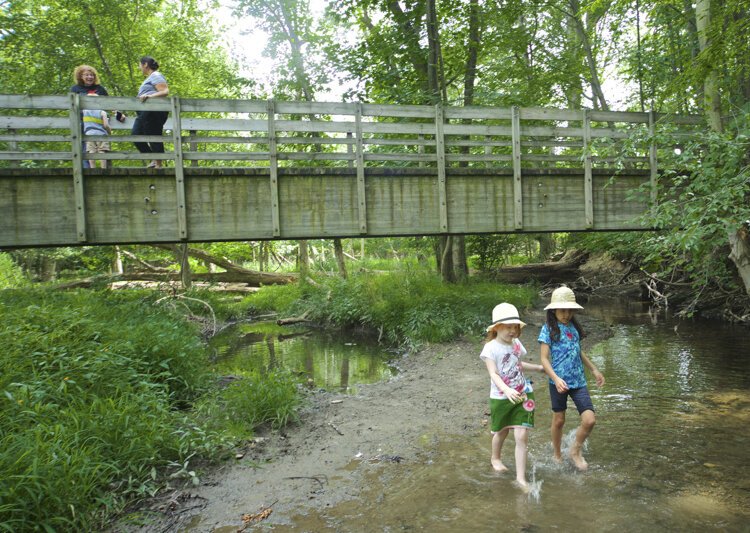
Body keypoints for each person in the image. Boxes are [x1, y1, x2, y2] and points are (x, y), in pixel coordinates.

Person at [538, 286, 605, 471]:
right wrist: (556, 378)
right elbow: (544, 359)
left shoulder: (574, 328)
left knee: (590, 420)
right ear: (553, 310)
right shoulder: (548, 329)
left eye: (570, 310)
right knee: (559, 420)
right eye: (562, 310)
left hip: (578, 381)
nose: (566, 314)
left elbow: (578, 351)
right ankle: (557, 453)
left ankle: (574, 450)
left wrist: (594, 369)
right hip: (558, 382)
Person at [480, 302, 545, 491]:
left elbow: (518, 364)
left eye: (515, 327)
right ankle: (495, 457)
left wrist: (538, 368)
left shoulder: (516, 344)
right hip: (501, 397)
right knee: (502, 431)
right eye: (508, 327)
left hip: (523, 393)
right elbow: (493, 373)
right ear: (497, 327)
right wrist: (506, 390)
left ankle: (521, 478)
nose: (513, 331)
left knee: (521, 434)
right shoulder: (490, 348)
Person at [132, 56, 169, 168]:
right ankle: (154, 159)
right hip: (146, 111)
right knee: (136, 135)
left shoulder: (156, 75)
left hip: (153, 110)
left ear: (145, 64)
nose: (139, 68)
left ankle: (158, 164)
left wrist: (150, 96)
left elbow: (165, 91)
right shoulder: (150, 78)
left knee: (153, 134)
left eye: (140, 65)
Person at [82, 95, 112, 169]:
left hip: (89, 134)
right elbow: (105, 125)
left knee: (91, 151)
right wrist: (109, 131)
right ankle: (103, 168)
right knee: (102, 151)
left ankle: (92, 168)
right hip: (101, 134)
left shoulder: (85, 111)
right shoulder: (102, 112)